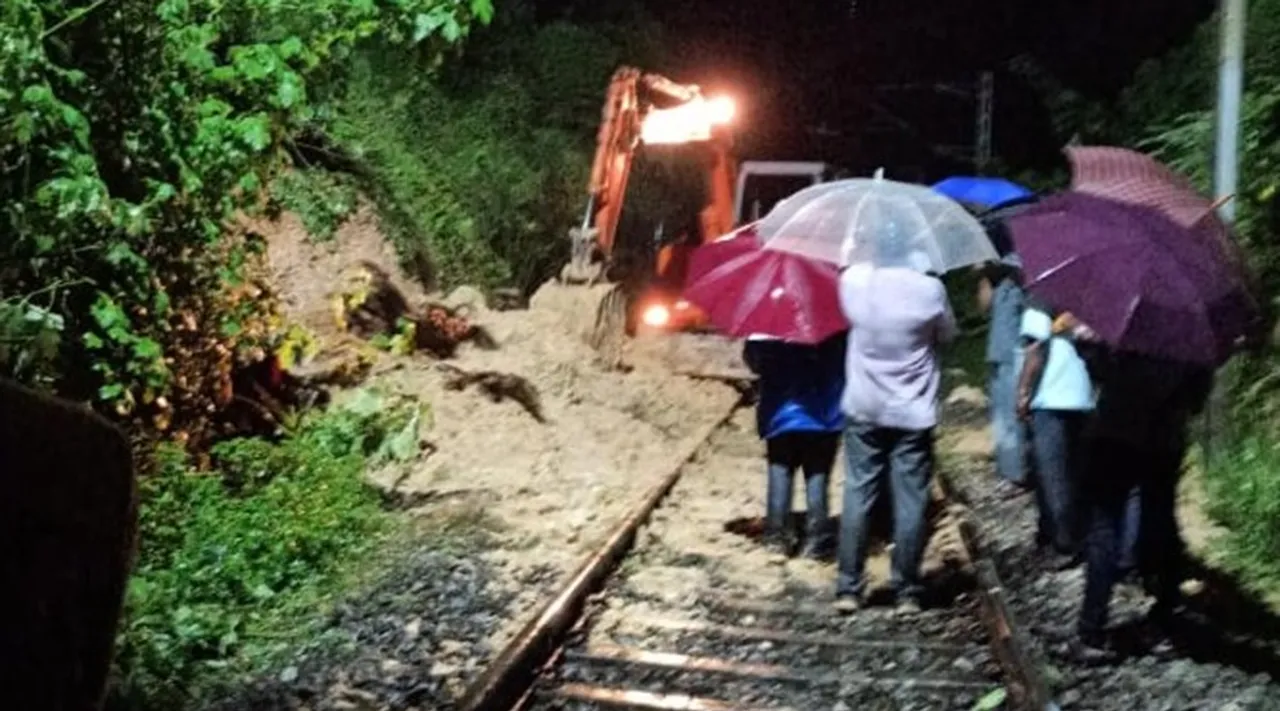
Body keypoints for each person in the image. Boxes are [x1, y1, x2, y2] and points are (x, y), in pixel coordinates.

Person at [834, 229, 956, 614]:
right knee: (911, 500)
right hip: (912, 410)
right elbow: (948, 334)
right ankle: (906, 590)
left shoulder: (854, 282)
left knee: (858, 492)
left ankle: (849, 588)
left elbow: (846, 273)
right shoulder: (930, 290)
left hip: (864, 406)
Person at [1073, 351, 1213, 661]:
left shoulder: (1129, 329)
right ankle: (1163, 625)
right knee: (1162, 527)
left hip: (1115, 435)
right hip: (1165, 442)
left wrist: (1086, 352)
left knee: (1104, 527)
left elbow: (1104, 374)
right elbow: (1197, 401)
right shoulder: (1193, 341)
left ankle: (1091, 629)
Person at [742, 332, 847, 559]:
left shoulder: (765, 325)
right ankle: (817, 539)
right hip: (823, 413)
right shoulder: (834, 325)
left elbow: (753, 363)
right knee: (817, 475)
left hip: (780, 413)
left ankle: (776, 538)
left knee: (780, 471)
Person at [1015, 302, 1095, 570]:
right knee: (1077, 474)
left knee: (1053, 478)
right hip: (1083, 396)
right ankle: (1084, 536)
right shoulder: (1088, 306)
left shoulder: (1037, 307)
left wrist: (1023, 392)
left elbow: (1035, 354)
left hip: (1048, 400)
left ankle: (1064, 544)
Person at [979, 251, 1033, 499]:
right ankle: (1008, 470)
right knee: (1001, 416)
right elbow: (983, 306)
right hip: (999, 351)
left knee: (1013, 417)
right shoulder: (999, 280)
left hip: (1016, 353)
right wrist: (984, 274)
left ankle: (1017, 474)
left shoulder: (1024, 280)